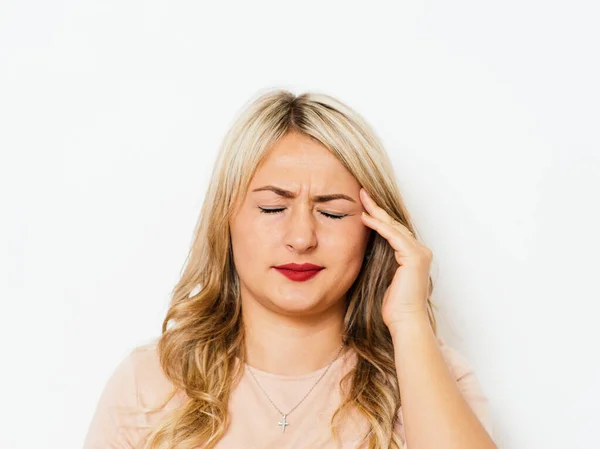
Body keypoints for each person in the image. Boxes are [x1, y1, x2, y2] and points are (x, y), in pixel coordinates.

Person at [82, 89, 497, 449]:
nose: (302, 237)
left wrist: (408, 321)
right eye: (273, 208)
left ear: (376, 231)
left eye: (333, 213)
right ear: (225, 220)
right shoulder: (150, 382)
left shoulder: (427, 371)